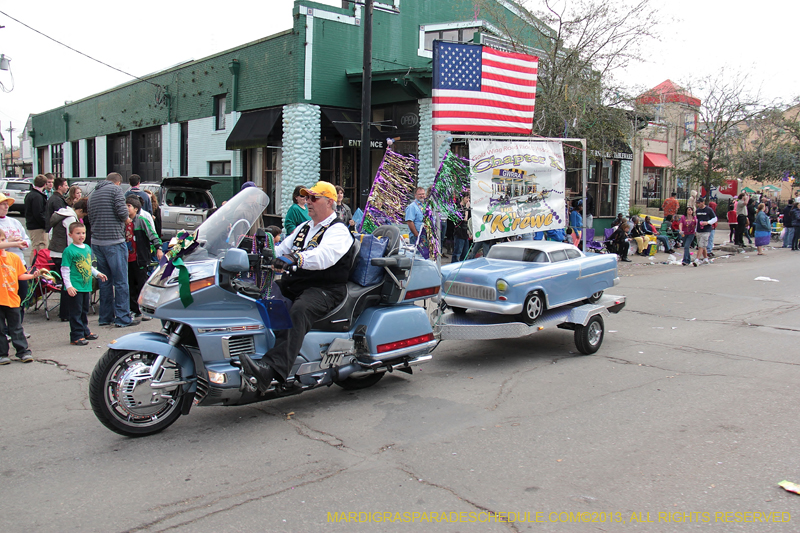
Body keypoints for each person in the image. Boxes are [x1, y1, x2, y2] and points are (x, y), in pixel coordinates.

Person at [238, 181, 355, 392]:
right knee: (259, 295)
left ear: (329, 202)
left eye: (314, 198)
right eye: (307, 197)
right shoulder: (304, 228)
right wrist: (254, 252)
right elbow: (281, 248)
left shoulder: (338, 230)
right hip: (296, 283)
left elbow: (324, 256)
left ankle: (271, 370)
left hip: (325, 288)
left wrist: (296, 258)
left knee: (299, 311)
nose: (308, 201)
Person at [88, 173, 138, 328]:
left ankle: (105, 316)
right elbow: (122, 212)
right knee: (121, 281)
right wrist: (127, 220)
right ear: (118, 182)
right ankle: (123, 317)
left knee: (104, 280)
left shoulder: (93, 193)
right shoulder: (115, 190)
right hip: (114, 241)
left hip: (97, 242)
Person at [61, 222, 107, 346]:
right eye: (78, 233)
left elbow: (88, 265)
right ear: (70, 235)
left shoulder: (87, 248)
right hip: (75, 286)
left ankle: (85, 331)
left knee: (84, 310)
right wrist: (69, 286)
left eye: (83, 233)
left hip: (86, 286)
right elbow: (65, 269)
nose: (81, 236)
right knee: (75, 312)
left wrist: (97, 273)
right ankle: (76, 335)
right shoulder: (69, 251)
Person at [0, 228, 40, 365]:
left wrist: (32, 276)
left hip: (12, 298)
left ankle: (23, 352)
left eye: (3, 239)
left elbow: (20, 275)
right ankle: (2, 354)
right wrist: (15, 243)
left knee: (16, 327)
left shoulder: (13, 257)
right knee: (0, 329)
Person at [49, 198, 89, 322]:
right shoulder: (70, 218)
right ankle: (67, 312)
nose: (82, 217)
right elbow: (70, 239)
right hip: (64, 254)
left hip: (56, 252)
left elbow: (50, 234)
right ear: (80, 210)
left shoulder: (60, 215)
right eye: (83, 214)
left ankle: (65, 312)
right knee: (68, 285)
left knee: (65, 284)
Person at [125, 196, 163, 319]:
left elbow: (152, 234)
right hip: (128, 258)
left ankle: (145, 309)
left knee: (142, 284)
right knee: (130, 285)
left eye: (129, 206)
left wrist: (158, 248)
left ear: (136, 209)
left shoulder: (141, 221)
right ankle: (134, 309)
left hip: (140, 258)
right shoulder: (124, 222)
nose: (126, 208)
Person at [0, 193, 33, 321]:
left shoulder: (14, 222)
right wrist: (10, 242)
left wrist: (22, 243)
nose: (6, 207)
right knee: (5, 298)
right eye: (3, 204)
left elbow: (27, 240)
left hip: (18, 263)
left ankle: (17, 325)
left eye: (7, 204)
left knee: (21, 295)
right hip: (4, 266)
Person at [24, 174, 49, 250]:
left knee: (36, 247)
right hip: (37, 227)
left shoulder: (30, 194)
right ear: (44, 184)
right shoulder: (37, 196)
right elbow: (38, 213)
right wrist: (45, 224)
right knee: (39, 247)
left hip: (32, 225)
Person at [693, 198, 717, 265]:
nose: (698, 204)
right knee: (702, 245)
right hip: (699, 230)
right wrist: (695, 230)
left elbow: (715, 218)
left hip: (706, 230)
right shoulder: (697, 210)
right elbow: (697, 220)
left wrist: (708, 222)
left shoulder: (709, 210)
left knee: (701, 245)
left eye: (699, 203)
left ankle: (697, 259)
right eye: (697, 203)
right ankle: (706, 258)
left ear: (703, 202)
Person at [452, 194, 471, 262]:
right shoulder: (458, 207)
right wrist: (466, 208)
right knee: (458, 252)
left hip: (465, 232)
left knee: (465, 253)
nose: (468, 200)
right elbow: (464, 219)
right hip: (459, 232)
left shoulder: (467, 208)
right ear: (462, 198)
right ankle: (454, 264)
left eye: (469, 198)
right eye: (466, 198)